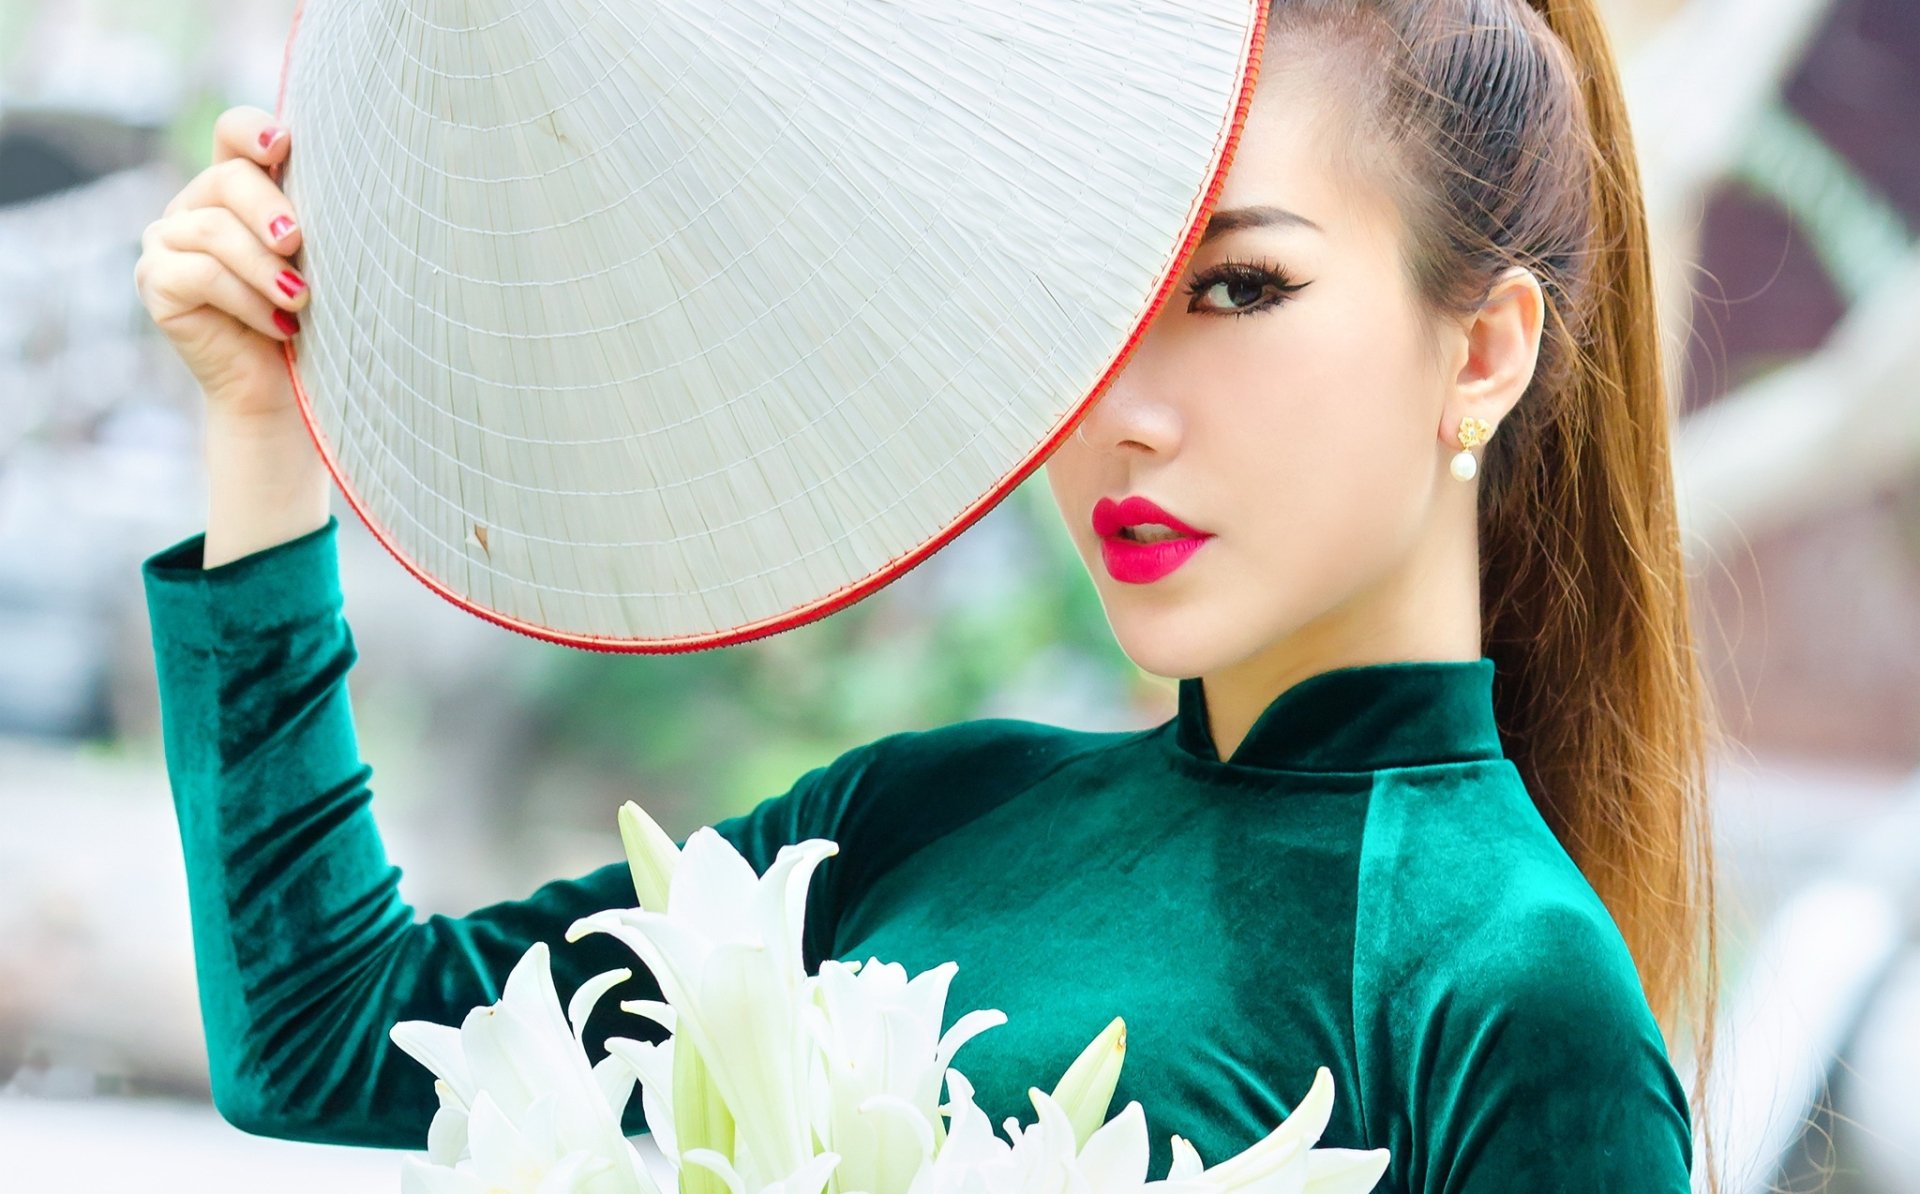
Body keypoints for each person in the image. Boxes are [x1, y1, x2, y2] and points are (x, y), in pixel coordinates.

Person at [133, 0, 1722, 1188]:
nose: (1122, 412)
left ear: (1487, 351)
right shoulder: (926, 813)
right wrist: (266, 432)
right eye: (1093, 316)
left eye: (1241, 288)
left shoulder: (1511, 992)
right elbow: (327, 1033)